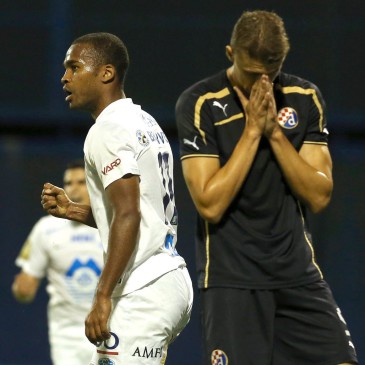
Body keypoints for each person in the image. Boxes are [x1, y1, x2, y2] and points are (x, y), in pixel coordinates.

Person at [175, 10, 357, 365]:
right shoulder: (200, 104)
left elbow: (319, 194)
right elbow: (209, 204)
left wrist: (274, 132)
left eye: (270, 74)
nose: (261, 83)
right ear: (230, 54)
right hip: (232, 280)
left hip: (296, 273)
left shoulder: (304, 97)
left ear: (282, 61)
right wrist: (253, 131)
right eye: (251, 74)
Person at [41, 32, 193, 365]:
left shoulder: (107, 129)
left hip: (145, 287)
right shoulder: (145, 122)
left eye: (74, 67)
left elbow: (129, 215)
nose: (64, 77)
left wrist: (102, 295)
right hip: (169, 276)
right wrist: (77, 210)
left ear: (106, 73)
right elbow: (139, 211)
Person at [12, 159, 104, 365]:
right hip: (66, 335)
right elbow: (27, 284)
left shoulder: (111, 224)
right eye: (68, 183)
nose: (74, 188)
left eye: (81, 182)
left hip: (108, 329)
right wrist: (22, 289)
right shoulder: (45, 229)